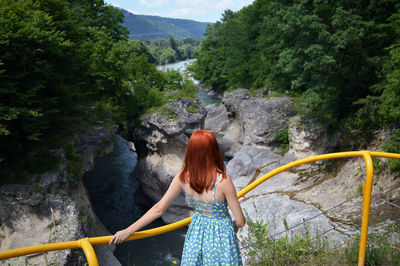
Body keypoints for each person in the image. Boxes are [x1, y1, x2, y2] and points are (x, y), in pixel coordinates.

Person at [109, 129, 245, 265]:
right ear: (214, 150)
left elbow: (158, 209)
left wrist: (128, 230)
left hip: (197, 234)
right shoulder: (223, 181)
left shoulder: (182, 178)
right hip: (221, 237)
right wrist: (232, 227)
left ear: (190, 151)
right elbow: (240, 221)